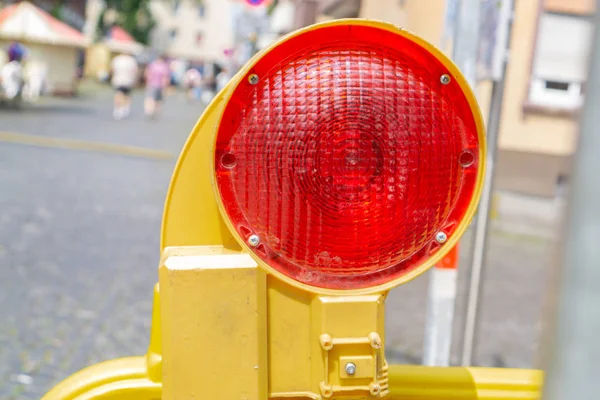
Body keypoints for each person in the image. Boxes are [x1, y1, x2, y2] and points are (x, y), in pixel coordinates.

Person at [110, 52, 139, 120]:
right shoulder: (131, 60)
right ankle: (124, 108)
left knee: (119, 94)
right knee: (126, 95)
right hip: (128, 80)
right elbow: (135, 71)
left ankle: (118, 108)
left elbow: (112, 69)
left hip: (118, 80)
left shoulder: (117, 59)